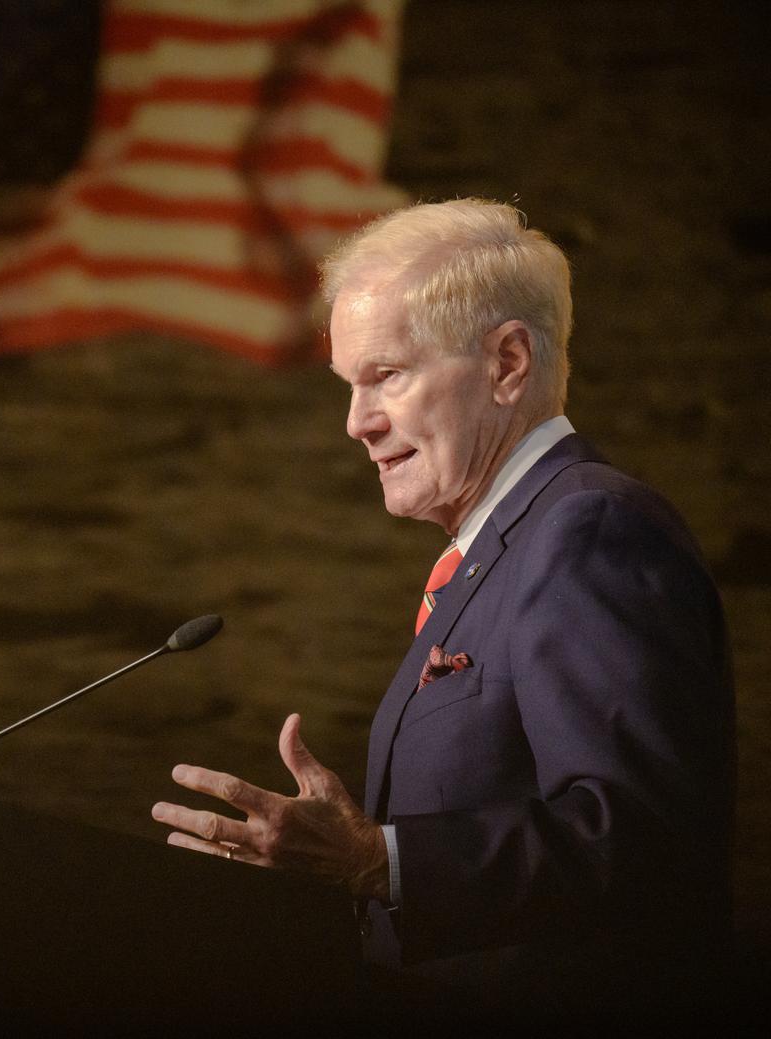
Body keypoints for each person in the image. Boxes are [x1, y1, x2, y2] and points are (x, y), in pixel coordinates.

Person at [151, 198, 735, 1019]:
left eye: (386, 374)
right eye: (349, 385)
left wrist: (378, 860)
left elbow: (640, 839)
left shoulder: (589, 529)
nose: (356, 423)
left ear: (507, 363)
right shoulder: (499, 553)